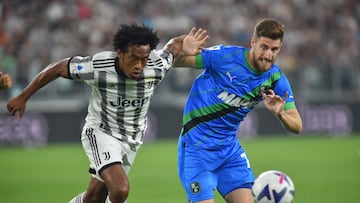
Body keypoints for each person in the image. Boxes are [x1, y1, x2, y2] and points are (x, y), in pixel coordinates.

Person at [7, 24, 209, 203]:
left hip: (132, 139)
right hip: (101, 132)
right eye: (133, 59)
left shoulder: (155, 67)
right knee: (120, 190)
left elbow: (172, 47)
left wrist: (185, 41)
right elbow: (58, 68)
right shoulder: (99, 67)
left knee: (95, 197)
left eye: (144, 59)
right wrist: (23, 96)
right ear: (119, 53)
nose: (139, 65)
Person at [173, 18, 303, 203]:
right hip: (197, 150)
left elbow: (297, 126)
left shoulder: (275, 79)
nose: (268, 55)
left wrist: (280, 113)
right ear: (253, 42)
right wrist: (182, 52)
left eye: (274, 50)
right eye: (264, 47)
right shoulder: (224, 57)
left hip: (229, 152)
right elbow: (177, 62)